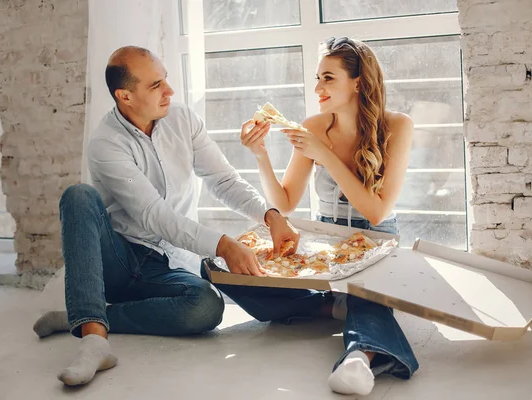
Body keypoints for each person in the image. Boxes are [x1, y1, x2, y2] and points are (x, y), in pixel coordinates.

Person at [32, 46, 299, 386]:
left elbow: (222, 179)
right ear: (125, 95)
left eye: (166, 80)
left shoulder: (183, 119)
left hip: (170, 264)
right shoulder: (106, 144)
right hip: (120, 260)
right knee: (78, 195)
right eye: (156, 84)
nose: (169, 91)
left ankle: (85, 316)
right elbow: (152, 215)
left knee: (206, 307)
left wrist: (270, 215)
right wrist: (224, 245)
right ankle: (94, 340)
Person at [203, 37, 418, 396]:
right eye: (317, 77)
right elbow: (285, 203)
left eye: (328, 78)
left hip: (376, 240)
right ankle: (330, 307)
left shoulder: (398, 125)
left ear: (358, 82)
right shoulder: (314, 126)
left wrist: (326, 154)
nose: (317, 88)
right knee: (223, 270)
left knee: (367, 294)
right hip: (327, 242)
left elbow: (377, 212)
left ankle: (358, 359)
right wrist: (260, 155)